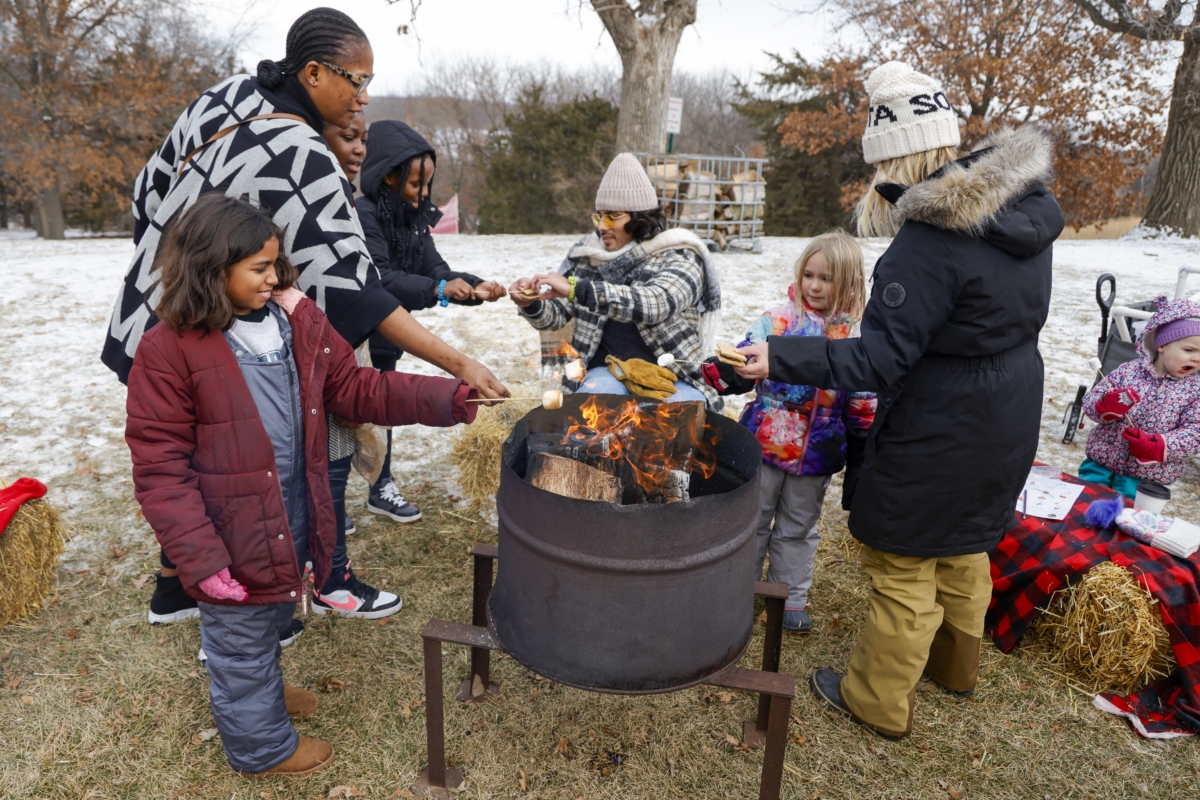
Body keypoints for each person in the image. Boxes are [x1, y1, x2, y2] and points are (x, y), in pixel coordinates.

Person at [101, 8, 507, 626]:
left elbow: (145, 192)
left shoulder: (221, 97)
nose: (363, 98)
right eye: (356, 80)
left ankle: (176, 587)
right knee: (237, 463)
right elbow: (355, 292)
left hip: (158, 307)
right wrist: (458, 363)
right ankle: (270, 605)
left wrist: (172, 260)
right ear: (314, 72)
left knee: (193, 455)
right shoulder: (301, 151)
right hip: (222, 333)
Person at [735, 62, 1063, 740]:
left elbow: (880, 359)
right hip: (1008, 409)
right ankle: (956, 666)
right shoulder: (1021, 211)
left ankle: (878, 699)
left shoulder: (930, 239)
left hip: (942, 417)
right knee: (966, 544)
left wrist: (782, 354)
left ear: (892, 154)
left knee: (906, 562)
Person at [124, 194, 479, 777]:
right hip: (225, 530)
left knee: (267, 617)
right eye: (259, 268)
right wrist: (202, 557)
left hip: (288, 508)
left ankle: (257, 698)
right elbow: (160, 466)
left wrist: (448, 397)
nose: (275, 277)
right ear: (213, 267)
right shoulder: (170, 349)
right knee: (237, 639)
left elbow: (359, 388)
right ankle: (261, 748)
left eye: (276, 264)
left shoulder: (295, 321)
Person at [702, 231, 876, 633]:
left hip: (817, 454)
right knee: (753, 520)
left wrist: (861, 446)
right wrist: (726, 373)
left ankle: (789, 597)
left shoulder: (855, 338)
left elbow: (863, 399)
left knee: (798, 527)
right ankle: (739, 589)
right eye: (808, 275)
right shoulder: (777, 321)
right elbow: (743, 363)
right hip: (764, 443)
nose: (814, 286)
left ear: (849, 282)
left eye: (827, 279)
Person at [354, 119, 504, 524]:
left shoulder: (412, 218)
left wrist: (475, 287)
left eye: (427, 185)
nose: (422, 194)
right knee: (336, 421)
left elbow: (435, 269)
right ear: (387, 176)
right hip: (351, 334)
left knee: (381, 412)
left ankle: (379, 486)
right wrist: (439, 290)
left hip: (388, 338)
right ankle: (328, 503)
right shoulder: (363, 214)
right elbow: (381, 280)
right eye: (414, 184)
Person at [510, 152, 722, 408]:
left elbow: (655, 303)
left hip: (672, 375)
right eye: (599, 216)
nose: (601, 226)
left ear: (638, 216)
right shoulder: (588, 255)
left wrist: (578, 289)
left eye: (611, 216)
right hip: (607, 372)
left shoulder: (680, 255)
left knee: (669, 425)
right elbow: (556, 316)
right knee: (593, 412)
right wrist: (529, 303)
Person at [1080, 297, 1200, 497]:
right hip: (1100, 462)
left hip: (1146, 477)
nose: (1196, 358)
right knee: (1082, 508)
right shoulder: (1129, 371)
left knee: (1125, 521)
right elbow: (1092, 401)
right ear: (1161, 345)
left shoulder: (1195, 389)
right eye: (1189, 350)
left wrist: (1159, 445)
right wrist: (1103, 406)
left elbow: (1195, 433)